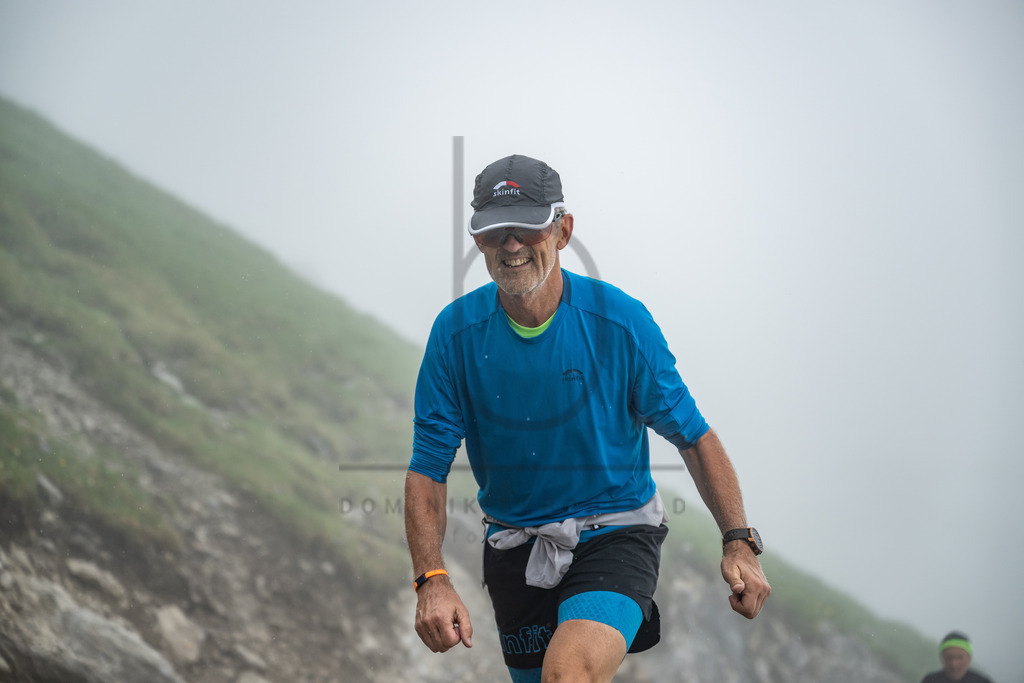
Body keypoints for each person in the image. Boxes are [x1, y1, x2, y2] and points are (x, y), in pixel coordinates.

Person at [405, 153, 770, 683]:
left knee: (567, 674)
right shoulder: (455, 335)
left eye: (527, 227)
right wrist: (431, 578)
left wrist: (739, 539)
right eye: (493, 231)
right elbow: (428, 467)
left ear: (562, 230)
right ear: (479, 240)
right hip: (514, 545)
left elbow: (693, 437)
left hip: (617, 531)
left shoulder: (620, 323)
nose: (510, 244)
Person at [920, 632, 994, 683]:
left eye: (960, 658)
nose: (954, 664)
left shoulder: (983, 682)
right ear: (942, 658)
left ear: (969, 658)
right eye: (949, 658)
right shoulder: (930, 680)